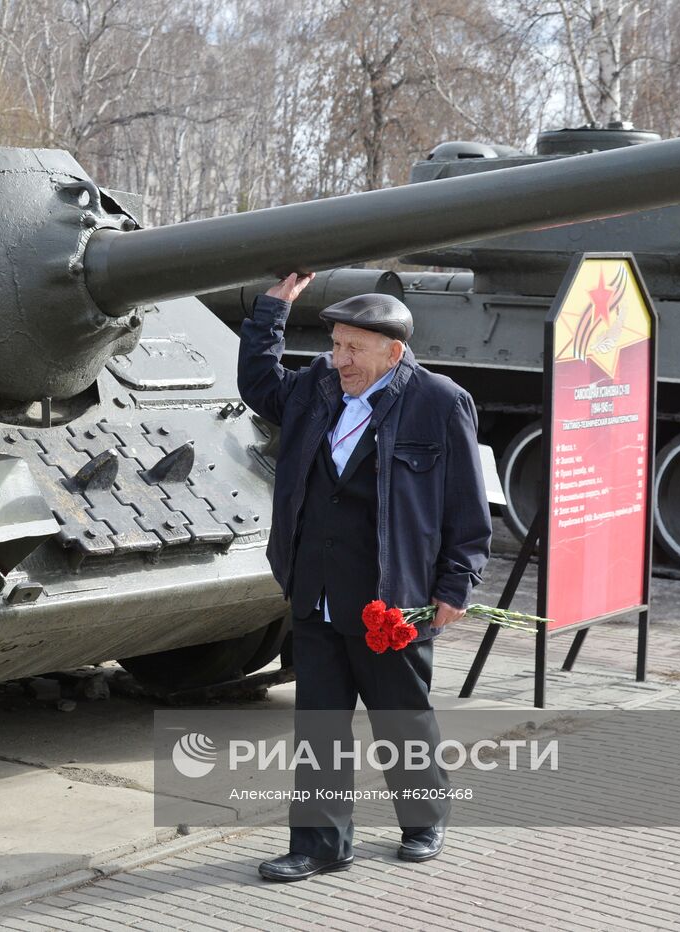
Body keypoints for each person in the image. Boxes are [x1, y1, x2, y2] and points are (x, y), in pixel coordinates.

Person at [237, 271, 491, 882]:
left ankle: (424, 819)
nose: (338, 358)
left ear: (392, 351)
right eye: (335, 344)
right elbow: (257, 384)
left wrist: (455, 585)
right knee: (319, 723)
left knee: (401, 716)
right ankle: (321, 845)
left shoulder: (439, 401)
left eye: (352, 348)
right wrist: (271, 312)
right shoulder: (314, 390)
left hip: (391, 596)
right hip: (316, 589)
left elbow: (466, 506)